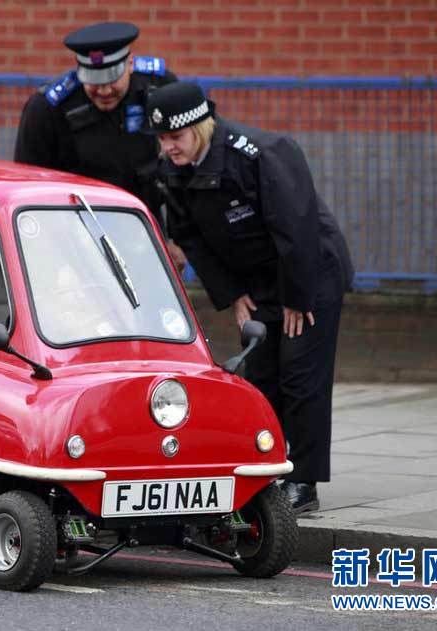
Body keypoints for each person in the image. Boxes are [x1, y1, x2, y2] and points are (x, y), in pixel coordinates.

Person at [143, 82, 354, 514]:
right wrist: (233, 294)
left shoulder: (261, 153)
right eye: (161, 139)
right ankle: (269, 469)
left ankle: (303, 483)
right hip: (256, 281)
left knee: (300, 376)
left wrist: (297, 296)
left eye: (175, 138)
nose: (168, 148)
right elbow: (190, 237)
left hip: (309, 274)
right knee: (262, 377)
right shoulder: (174, 170)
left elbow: (296, 228)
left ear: (199, 128)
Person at [13, 22, 185, 268]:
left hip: (143, 227)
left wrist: (177, 239)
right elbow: (27, 186)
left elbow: (182, 168)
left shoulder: (159, 89)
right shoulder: (47, 109)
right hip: (75, 235)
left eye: (112, 78)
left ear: (130, 64)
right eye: (93, 80)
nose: (104, 90)